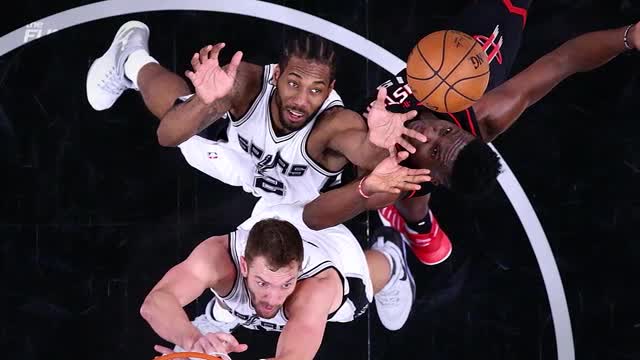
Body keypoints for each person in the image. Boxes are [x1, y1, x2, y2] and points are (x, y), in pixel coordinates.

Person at [358, 0, 640, 267]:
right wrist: (628, 37)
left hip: (397, 167)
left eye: (434, 149)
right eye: (445, 130)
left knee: (401, 186)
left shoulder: (394, 167)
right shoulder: (484, 112)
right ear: (460, 128)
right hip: (469, 61)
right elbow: (563, 61)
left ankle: (418, 225)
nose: (427, 132)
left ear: (436, 177)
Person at [86, 21, 426, 215]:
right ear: (276, 75)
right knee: (184, 111)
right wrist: (203, 102)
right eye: (293, 83)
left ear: (330, 89)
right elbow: (167, 136)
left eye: (315, 90)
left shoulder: (336, 123)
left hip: (298, 197)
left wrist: (378, 147)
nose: (300, 100)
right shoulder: (245, 84)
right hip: (239, 156)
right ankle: (131, 58)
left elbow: (365, 154)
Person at [140, 202, 414, 360]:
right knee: (232, 298)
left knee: (360, 295)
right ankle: (221, 315)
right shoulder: (218, 255)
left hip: (336, 251)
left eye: (286, 284)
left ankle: (391, 259)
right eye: (263, 283)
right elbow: (155, 303)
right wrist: (192, 339)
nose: (273, 298)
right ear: (244, 264)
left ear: (297, 270)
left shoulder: (316, 288)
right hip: (273, 215)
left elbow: (292, 358)